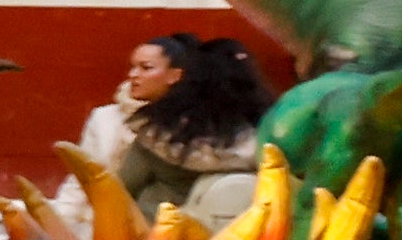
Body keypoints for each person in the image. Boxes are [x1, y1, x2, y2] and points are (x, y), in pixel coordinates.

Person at [76, 28, 272, 224]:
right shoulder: (264, 134)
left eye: (146, 67)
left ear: (183, 77)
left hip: (153, 234)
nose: (134, 75)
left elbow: (120, 190)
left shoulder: (159, 131)